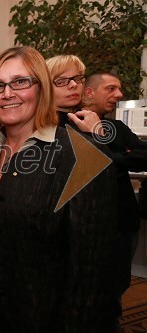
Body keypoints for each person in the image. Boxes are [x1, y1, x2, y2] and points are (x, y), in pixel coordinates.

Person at [0, 46, 118, 333]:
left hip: (43, 314)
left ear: (41, 88)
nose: (7, 93)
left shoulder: (82, 157)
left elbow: (92, 272)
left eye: (20, 81)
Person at [82, 72, 147, 322]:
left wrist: (111, 158)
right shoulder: (68, 126)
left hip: (123, 222)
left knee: (117, 287)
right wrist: (122, 156)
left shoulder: (116, 127)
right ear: (89, 93)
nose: (119, 95)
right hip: (89, 225)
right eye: (111, 89)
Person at [46, 55, 102, 133]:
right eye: (61, 82)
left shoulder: (94, 121)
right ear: (45, 89)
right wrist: (95, 135)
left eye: (77, 79)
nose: (74, 84)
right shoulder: (37, 128)